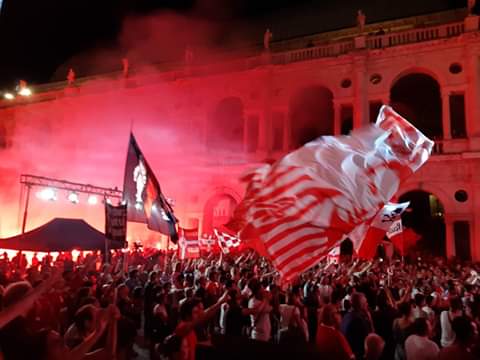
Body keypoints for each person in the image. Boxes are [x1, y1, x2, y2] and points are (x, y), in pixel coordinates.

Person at [173, 291, 228, 360]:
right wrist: (220, 302)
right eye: (196, 312)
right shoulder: (182, 327)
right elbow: (204, 315)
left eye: (202, 309)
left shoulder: (193, 329)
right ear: (187, 315)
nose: (201, 313)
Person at [341, 292, 373, 359]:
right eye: (366, 302)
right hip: (357, 354)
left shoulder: (346, 315)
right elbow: (370, 339)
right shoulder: (358, 320)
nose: (367, 304)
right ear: (361, 305)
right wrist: (370, 319)